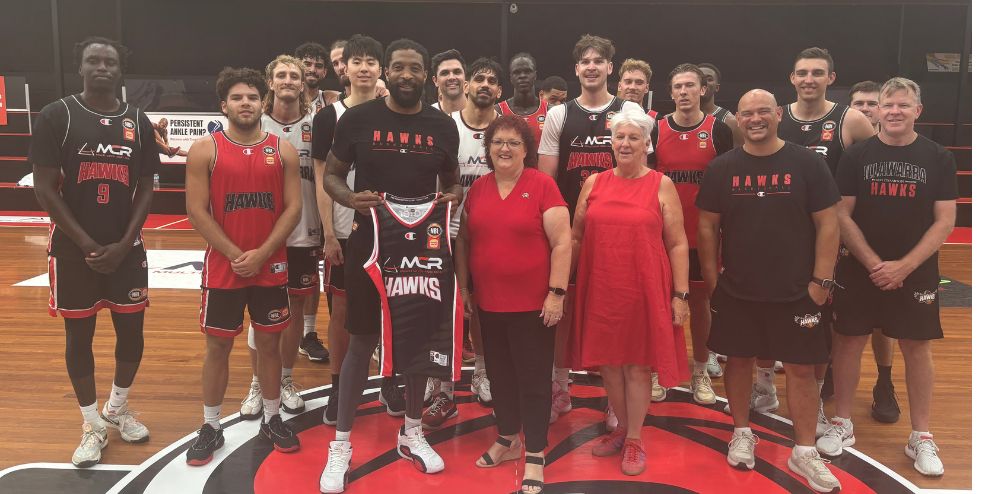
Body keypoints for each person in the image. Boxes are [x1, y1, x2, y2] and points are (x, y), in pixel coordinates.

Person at [319, 38, 461, 494]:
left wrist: (454, 197)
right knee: (361, 339)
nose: (405, 75)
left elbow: (453, 181)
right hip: (372, 241)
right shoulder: (359, 119)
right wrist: (348, 198)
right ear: (386, 71)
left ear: (426, 75)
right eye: (397, 67)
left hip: (424, 244)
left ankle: (412, 431)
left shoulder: (441, 125)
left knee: (417, 338)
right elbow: (332, 176)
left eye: (414, 68)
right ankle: (341, 443)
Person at [697, 89, 842, 492]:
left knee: (800, 370)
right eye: (748, 113)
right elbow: (707, 227)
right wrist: (713, 283)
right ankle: (741, 432)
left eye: (764, 112)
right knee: (738, 362)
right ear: (738, 119)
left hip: (798, 291)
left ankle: (805, 450)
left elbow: (829, 223)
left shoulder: (807, 162)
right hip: (738, 291)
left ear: (778, 114)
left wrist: (821, 282)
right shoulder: (723, 167)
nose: (756, 119)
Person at [30, 36, 158, 468]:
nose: (102, 67)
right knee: (78, 337)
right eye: (93, 61)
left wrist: (124, 243)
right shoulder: (56, 115)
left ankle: (117, 410)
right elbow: (45, 189)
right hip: (73, 252)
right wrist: (87, 243)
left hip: (127, 250)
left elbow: (146, 186)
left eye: (110, 62)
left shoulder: (137, 121)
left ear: (120, 70)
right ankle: (90, 424)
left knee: (132, 335)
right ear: (80, 67)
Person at [817, 78, 955, 478]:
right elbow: (842, 214)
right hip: (861, 268)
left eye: (903, 105)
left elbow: (945, 220)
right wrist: (875, 262)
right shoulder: (857, 155)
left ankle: (922, 436)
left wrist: (905, 266)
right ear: (874, 111)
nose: (894, 111)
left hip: (916, 271)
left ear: (917, 111)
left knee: (916, 347)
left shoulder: (939, 157)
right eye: (886, 105)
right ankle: (843, 422)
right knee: (847, 342)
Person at [184, 67, 303, 465]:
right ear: (224, 105)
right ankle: (211, 425)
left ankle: (271, 417)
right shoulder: (205, 149)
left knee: (270, 343)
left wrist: (263, 253)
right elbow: (197, 211)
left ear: (262, 103)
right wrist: (237, 254)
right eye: (237, 97)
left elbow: (293, 209)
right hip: (224, 266)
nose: (246, 103)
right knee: (217, 345)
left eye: (252, 97)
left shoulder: (281, 149)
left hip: (271, 265)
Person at [569, 106, 690, 476]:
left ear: (646, 143)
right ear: (611, 143)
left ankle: (634, 437)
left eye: (632, 137)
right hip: (601, 285)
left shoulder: (661, 184)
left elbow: (678, 243)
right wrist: (562, 285)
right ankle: (621, 427)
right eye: (619, 137)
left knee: (637, 368)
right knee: (609, 365)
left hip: (644, 287)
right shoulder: (593, 183)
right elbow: (575, 236)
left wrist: (680, 295)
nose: (624, 143)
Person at [538, 34, 649, 430]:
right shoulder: (559, 115)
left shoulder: (630, 109)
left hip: (619, 234)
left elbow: (642, 173)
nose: (590, 67)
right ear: (576, 69)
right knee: (561, 311)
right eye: (584, 61)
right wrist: (554, 232)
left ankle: (614, 403)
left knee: (614, 314)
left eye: (598, 61)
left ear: (609, 68)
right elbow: (547, 181)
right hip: (572, 230)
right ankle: (560, 387)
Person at [457, 114, 570, 494]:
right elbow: (467, 243)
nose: (504, 149)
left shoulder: (542, 186)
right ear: (488, 149)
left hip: (533, 305)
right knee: (500, 377)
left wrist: (556, 293)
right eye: (497, 142)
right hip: (490, 303)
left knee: (534, 380)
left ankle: (535, 452)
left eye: (513, 143)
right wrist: (466, 287)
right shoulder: (479, 189)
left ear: (527, 150)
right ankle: (508, 438)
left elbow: (562, 243)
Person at [769, 47, 876, 436]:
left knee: (828, 327)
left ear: (831, 78)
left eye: (817, 72)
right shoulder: (777, 117)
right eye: (802, 73)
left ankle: (821, 403)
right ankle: (784, 393)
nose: (808, 79)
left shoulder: (852, 120)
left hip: (835, 244)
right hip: (785, 243)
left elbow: (871, 177)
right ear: (792, 78)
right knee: (792, 323)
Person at [423, 57, 503, 429]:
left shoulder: (504, 130)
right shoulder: (445, 126)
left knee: (483, 312)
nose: (484, 84)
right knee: (440, 311)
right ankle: (437, 379)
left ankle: (482, 372)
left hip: (491, 235)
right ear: (467, 86)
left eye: (492, 80)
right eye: (479, 78)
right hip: (445, 232)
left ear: (498, 92)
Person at [238, 55, 319, 421]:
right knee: (260, 314)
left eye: (295, 76)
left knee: (295, 311)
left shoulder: (317, 126)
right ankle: (257, 382)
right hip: (263, 235)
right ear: (270, 82)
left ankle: (286, 380)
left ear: (304, 84)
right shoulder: (257, 124)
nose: (288, 80)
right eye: (281, 75)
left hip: (305, 234)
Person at [312, 34, 386, 426]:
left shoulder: (393, 111)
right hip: (343, 231)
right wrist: (327, 233)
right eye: (356, 61)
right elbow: (322, 177)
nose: (363, 68)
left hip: (388, 228)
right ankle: (338, 385)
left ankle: (389, 380)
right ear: (345, 68)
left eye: (371, 61)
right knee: (341, 311)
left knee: (392, 306)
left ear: (380, 69)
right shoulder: (329, 117)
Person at [651, 63, 734, 405]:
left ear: (703, 90)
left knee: (700, 306)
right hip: (663, 237)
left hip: (703, 238)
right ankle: (658, 370)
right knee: (658, 304)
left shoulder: (719, 130)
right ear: (670, 93)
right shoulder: (655, 130)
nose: (684, 92)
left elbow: (729, 185)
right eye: (678, 86)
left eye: (690, 86)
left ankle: (700, 371)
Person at [848, 79, 900, 422]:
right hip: (840, 237)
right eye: (859, 104)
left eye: (871, 103)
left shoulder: (898, 152)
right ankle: (831, 380)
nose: (865, 110)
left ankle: (884, 381)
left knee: (885, 323)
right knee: (838, 322)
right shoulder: (849, 147)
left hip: (883, 247)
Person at [497, 52, 548, 145]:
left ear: (535, 75)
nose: (522, 76)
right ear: (511, 78)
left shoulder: (550, 110)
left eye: (527, 71)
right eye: (517, 72)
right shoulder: (497, 111)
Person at [295, 42, 340, 113]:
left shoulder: (333, 99)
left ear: (324, 72)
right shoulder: (285, 98)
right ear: (297, 67)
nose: (312, 70)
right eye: (307, 64)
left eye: (318, 66)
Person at [430, 49, 467, 114]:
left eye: (457, 72)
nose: (451, 77)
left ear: (465, 77)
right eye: (444, 73)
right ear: (435, 81)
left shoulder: (483, 111)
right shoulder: (429, 115)